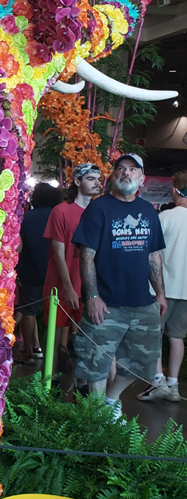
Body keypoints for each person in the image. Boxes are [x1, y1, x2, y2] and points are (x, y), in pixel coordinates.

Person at [72, 153, 167, 419]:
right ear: (113, 176)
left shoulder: (148, 211)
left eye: (133, 170)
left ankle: (111, 400)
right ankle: (100, 421)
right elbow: (87, 255)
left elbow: (153, 255)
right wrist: (91, 295)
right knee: (96, 365)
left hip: (142, 303)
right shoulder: (99, 208)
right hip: (106, 304)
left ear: (142, 178)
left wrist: (159, 293)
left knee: (143, 366)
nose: (126, 173)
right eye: (121, 169)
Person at [43, 164, 101, 375]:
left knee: (87, 338)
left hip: (88, 287)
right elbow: (59, 254)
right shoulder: (61, 211)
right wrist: (68, 287)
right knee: (55, 334)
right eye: (91, 178)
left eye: (98, 178)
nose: (97, 182)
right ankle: (49, 383)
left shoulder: (99, 211)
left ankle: (82, 387)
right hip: (61, 285)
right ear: (77, 182)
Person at [137, 170, 187, 402]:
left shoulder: (164, 218)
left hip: (162, 291)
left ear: (175, 190)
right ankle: (174, 386)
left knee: (154, 335)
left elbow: (150, 253)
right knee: (177, 337)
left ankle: (158, 381)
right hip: (186, 293)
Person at [15, 182, 63, 364]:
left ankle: (29, 352)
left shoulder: (26, 218)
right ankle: (54, 353)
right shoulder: (58, 216)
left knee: (29, 311)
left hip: (30, 271)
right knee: (57, 313)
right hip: (56, 273)